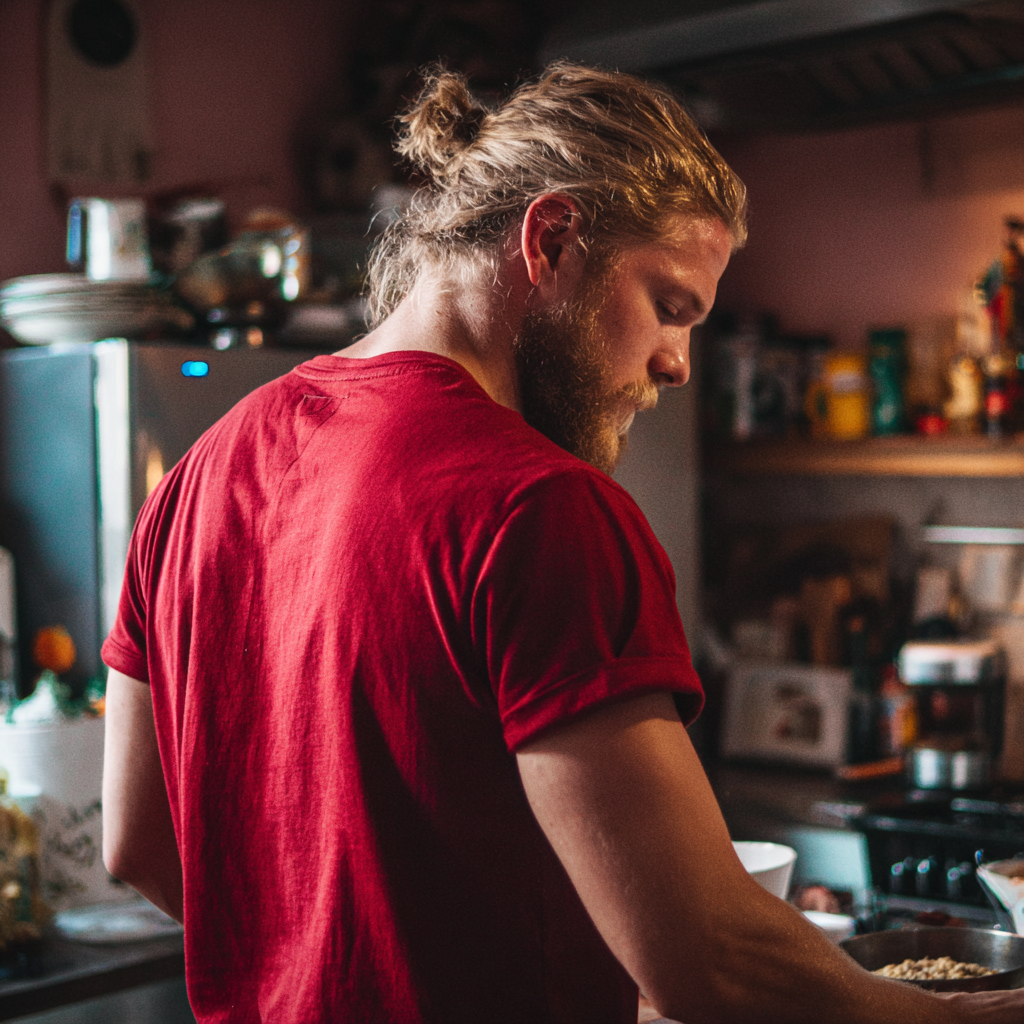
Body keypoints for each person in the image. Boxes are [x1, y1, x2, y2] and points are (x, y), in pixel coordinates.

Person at [100, 64, 1024, 1024]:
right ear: (550, 239)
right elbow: (710, 961)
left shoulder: (198, 477)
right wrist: (958, 1018)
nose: (676, 363)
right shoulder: (537, 505)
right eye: (670, 307)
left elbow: (139, 844)